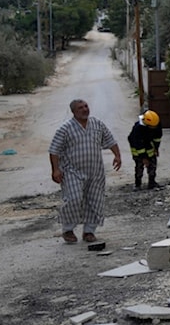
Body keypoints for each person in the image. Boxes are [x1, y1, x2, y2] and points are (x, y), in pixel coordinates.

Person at [48, 99, 121, 244]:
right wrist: (55, 170)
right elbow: (54, 150)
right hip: (72, 171)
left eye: (86, 106)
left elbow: (110, 140)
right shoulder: (65, 128)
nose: (85, 109)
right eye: (80, 108)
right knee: (74, 198)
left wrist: (117, 155)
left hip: (95, 171)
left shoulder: (97, 124)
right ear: (74, 112)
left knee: (95, 200)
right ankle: (68, 229)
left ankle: (89, 231)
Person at [128, 109, 163, 190]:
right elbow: (138, 144)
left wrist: (156, 148)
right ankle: (138, 184)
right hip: (137, 147)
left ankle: (152, 183)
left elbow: (157, 138)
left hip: (148, 144)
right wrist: (143, 157)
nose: (154, 128)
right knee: (139, 165)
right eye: (152, 127)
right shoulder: (138, 128)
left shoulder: (156, 123)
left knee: (152, 164)